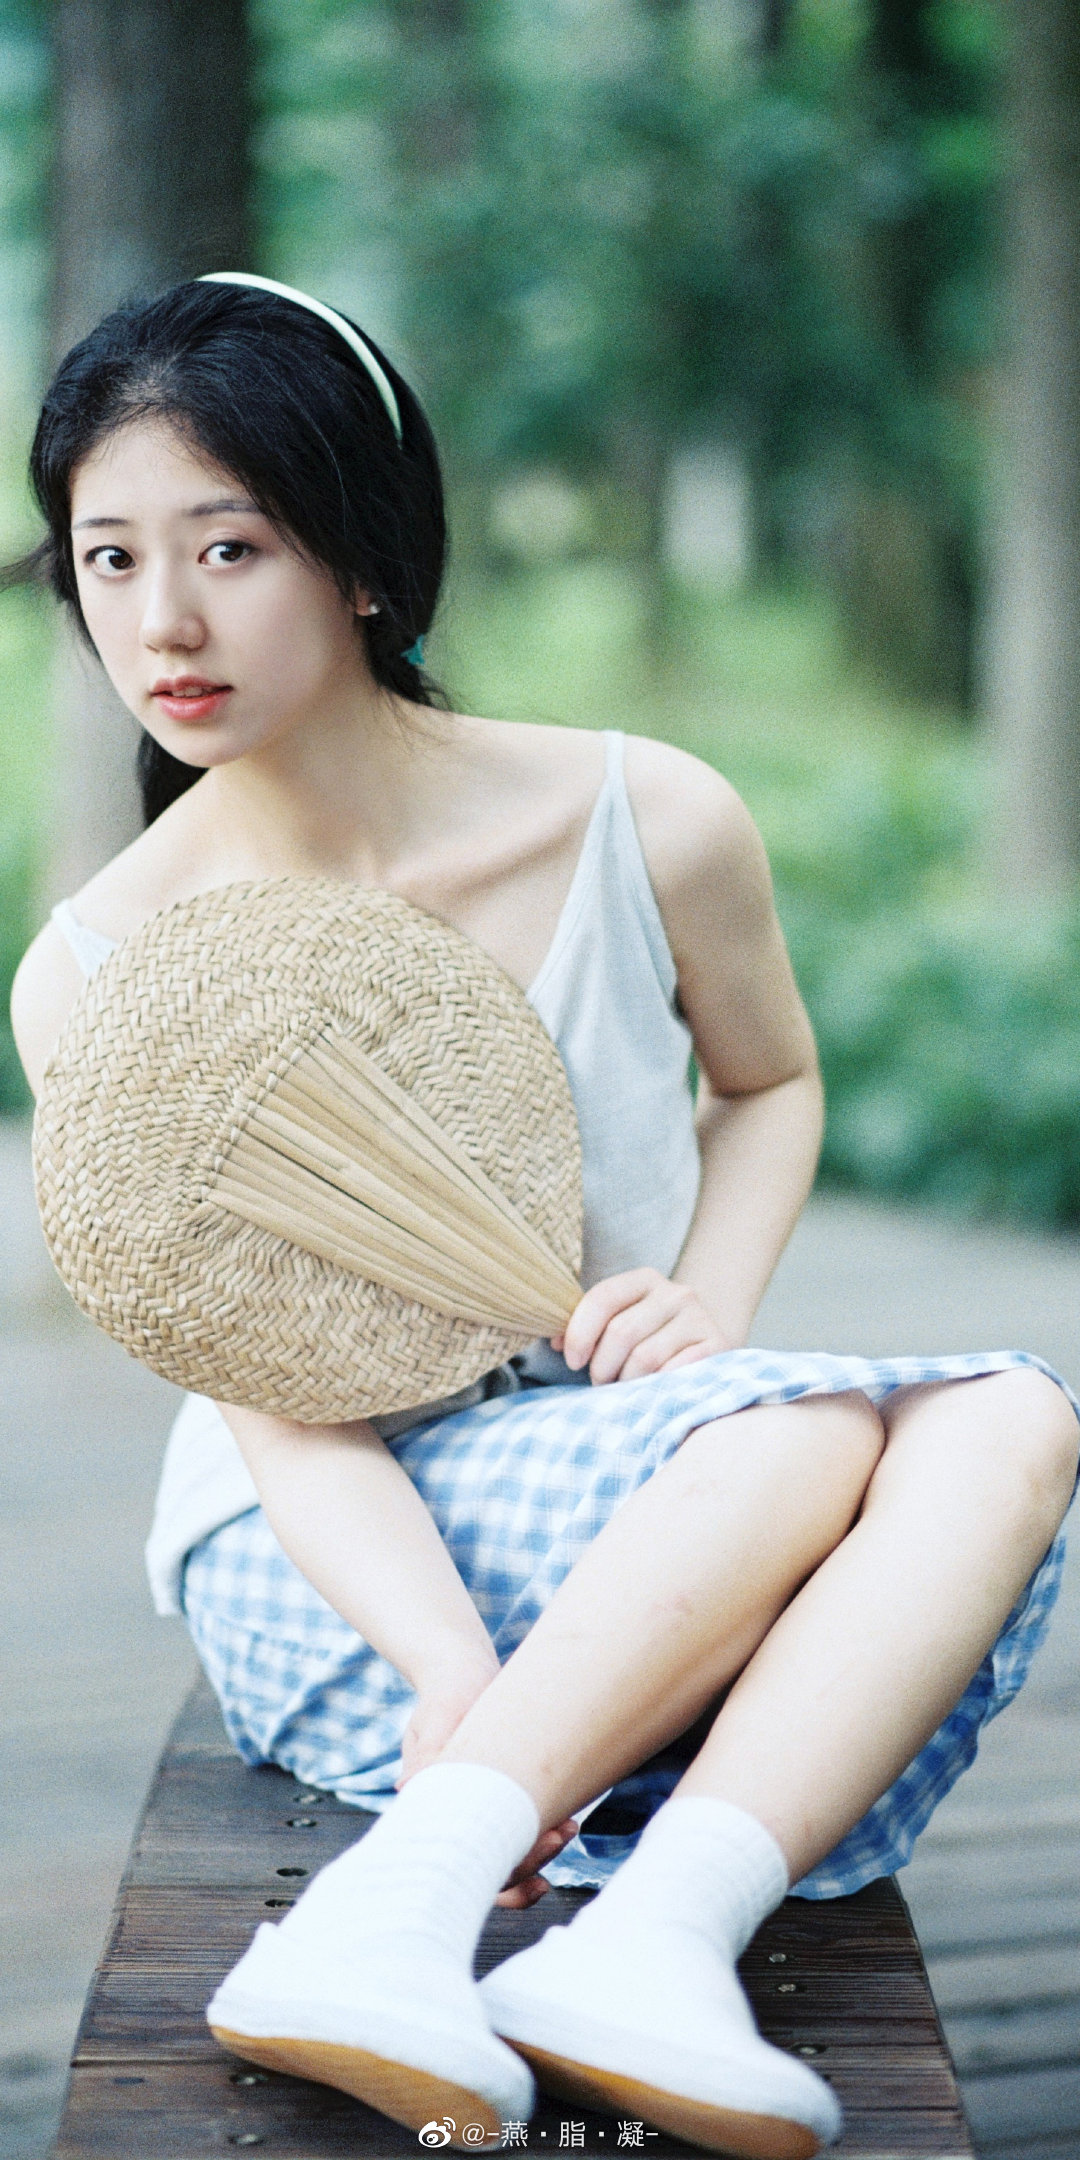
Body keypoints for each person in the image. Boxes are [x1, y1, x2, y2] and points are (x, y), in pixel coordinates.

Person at [9, 274, 1079, 2160]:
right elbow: (279, 1411)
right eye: (109, 559)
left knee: (1013, 1418)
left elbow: (770, 1083)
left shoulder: (645, 818)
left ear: (364, 556)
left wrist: (702, 1307)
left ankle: (640, 1945)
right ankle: (416, 1898)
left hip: (653, 1450)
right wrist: (448, 1666)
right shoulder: (104, 975)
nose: (161, 621)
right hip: (342, 1544)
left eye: (229, 546)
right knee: (810, 1441)